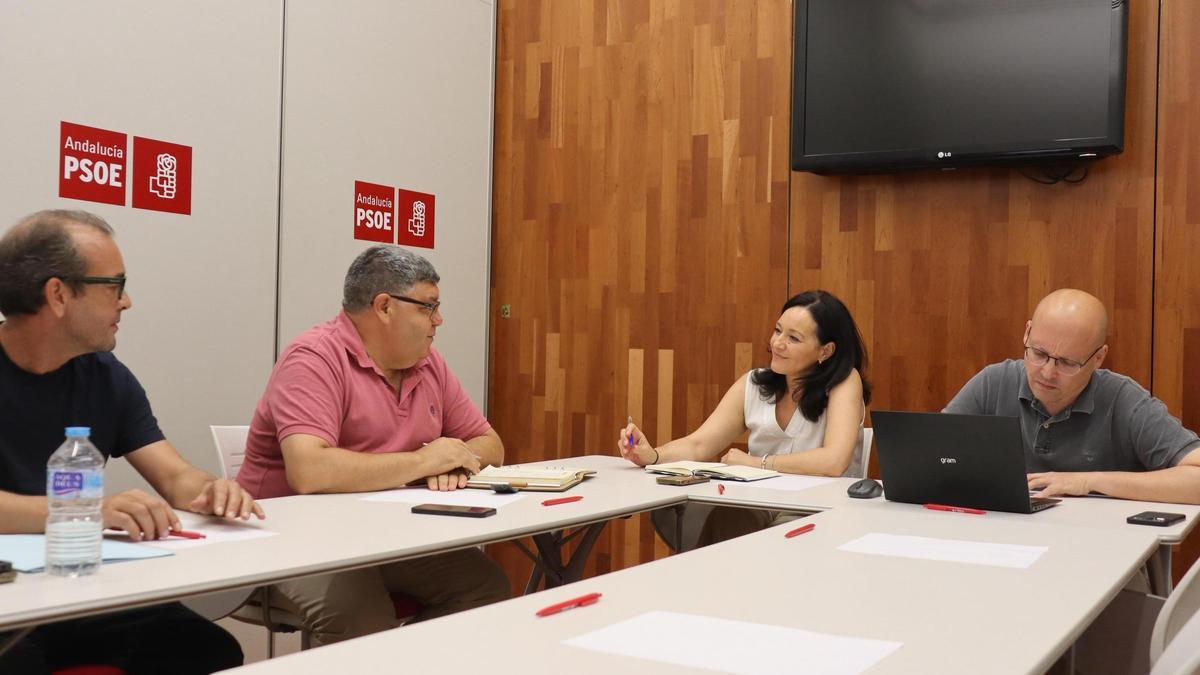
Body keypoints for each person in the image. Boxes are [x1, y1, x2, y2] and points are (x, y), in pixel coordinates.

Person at [0, 209, 261, 674]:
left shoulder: (106, 377)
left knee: (205, 649)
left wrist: (211, 490)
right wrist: (83, 511)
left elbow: (176, 475)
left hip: (77, 586)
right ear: (58, 294)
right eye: (115, 285)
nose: (127, 302)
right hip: (9, 597)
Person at [237, 244, 509, 646]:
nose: (439, 320)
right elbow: (309, 471)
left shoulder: (427, 362)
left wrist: (453, 461)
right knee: (359, 613)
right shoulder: (313, 358)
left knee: (484, 587)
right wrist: (422, 461)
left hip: (384, 536)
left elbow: (491, 445)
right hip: (290, 540)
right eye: (427, 307)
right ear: (384, 306)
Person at [619, 290, 871, 548]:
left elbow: (834, 461)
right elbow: (699, 444)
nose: (777, 343)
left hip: (821, 510)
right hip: (757, 502)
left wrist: (755, 463)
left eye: (793, 338)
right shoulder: (754, 383)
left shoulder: (844, 382)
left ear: (825, 351)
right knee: (717, 515)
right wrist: (652, 455)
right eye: (777, 330)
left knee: (772, 540)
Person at [944, 288, 1200, 503]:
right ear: (1027, 333)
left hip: (1098, 548)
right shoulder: (994, 383)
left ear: (1098, 357)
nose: (1047, 372)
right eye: (1039, 354)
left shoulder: (1124, 400)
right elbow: (932, 457)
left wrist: (1090, 481)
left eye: (1066, 363)